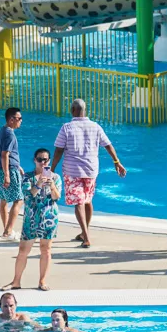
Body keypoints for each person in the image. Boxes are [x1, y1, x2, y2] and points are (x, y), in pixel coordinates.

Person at [51, 99, 126, 250]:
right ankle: (84, 232)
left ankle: (86, 237)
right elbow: (108, 145)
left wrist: (51, 169)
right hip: (91, 170)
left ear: (72, 110)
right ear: (85, 111)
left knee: (79, 202)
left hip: (72, 171)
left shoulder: (66, 128)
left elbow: (59, 150)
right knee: (87, 201)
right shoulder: (95, 126)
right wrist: (117, 162)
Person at [6, 148, 61, 291]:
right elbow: (28, 197)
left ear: (49, 161)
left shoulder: (55, 177)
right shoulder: (27, 177)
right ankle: (16, 281)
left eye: (45, 160)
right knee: (23, 250)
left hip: (49, 218)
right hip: (31, 218)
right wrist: (38, 184)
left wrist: (52, 186)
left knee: (46, 250)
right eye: (39, 159)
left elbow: (56, 197)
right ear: (35, 160)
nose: (42, 163)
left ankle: (42, 281)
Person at [0, 108, 24, 239]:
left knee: (4, 199)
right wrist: (7, 175)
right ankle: (7, 231)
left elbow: (6, 155)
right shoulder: (10, 135)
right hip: (9, 171)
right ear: (11, 119)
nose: (21, 121)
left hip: (1, 169)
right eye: (19, 119)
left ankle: (7, 230)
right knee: (19, 200)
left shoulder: (2, 130)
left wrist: (18, 166)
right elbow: (5, 155)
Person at [32, 308, 97, 332]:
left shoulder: (71, 331)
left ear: (65, 321)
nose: (55, 323)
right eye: (53, 320)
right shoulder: (47, 331)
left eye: (58, 320)